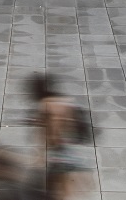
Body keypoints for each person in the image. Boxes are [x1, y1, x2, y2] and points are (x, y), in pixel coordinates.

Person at [27, 72, 93, 200]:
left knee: (52, 189)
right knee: (64, 190)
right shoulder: (66, 101)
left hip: (57, 154)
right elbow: (73, 124)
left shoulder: (45, 105)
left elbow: (48, 132)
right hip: (70, 150)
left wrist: (41, 155)